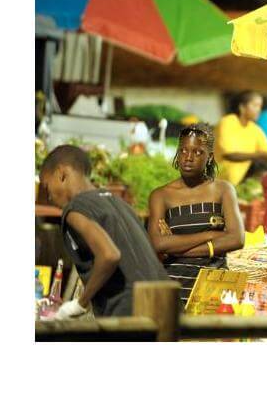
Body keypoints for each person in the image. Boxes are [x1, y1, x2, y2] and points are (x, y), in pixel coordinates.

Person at [39, 145, 168, 318]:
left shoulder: (75, 209)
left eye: (47, 188)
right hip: (167, 304)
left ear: (61, 173)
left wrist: (79, 304)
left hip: (130, 313)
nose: (49, 198)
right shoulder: (121, 204)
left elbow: (109, 255)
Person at [148, 123, 245, 307]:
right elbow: (157, 243)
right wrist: (211, 235)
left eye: (197, 152)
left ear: (209, 157)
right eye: (183, 151)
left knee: (208, 336)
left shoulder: (223, 190)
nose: (188, 158)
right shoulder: (161, 195)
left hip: (214, 286)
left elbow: (237, 239)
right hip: (174, 285)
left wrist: (175, 246)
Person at [215, 90, 267, 186]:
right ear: (242, 107)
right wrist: (260, 155)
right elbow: (230, 155)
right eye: (255, 105)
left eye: (260, 106)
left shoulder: (254, 129)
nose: (259, 110)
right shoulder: (227, 122)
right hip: (215, 183)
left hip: (234, 184)